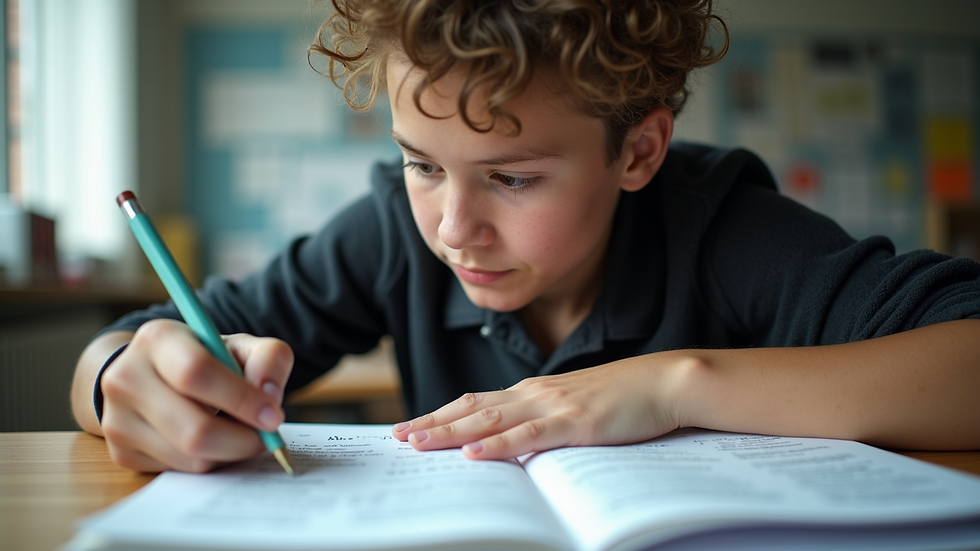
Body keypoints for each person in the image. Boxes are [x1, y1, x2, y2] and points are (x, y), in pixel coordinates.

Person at [70, 0, 980, 473]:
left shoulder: (725, 230)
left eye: (511, 177)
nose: (453, 228)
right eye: (421, 163)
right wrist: (125, 379)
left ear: (638, 149)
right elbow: (131, 343)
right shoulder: (393, 230)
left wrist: (676, 384)